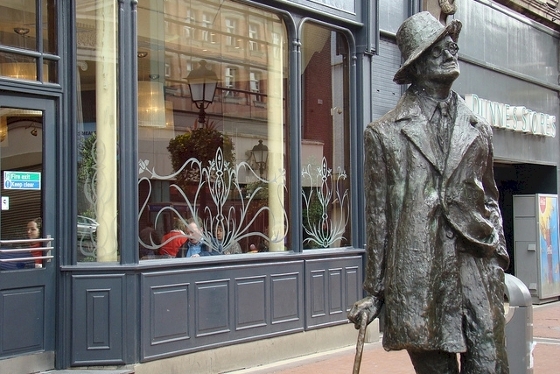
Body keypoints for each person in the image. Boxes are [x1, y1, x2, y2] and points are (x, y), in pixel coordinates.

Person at [348, 12, 509, 374]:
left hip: (477, 267)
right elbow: (379, 217)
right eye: (437, 47)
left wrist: (498, 259)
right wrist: (375, 292)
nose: (451, 48)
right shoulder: (384, 133)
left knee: (491, 366)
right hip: (418, 276)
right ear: (416, 64)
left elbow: (490, 197)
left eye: (450, 42)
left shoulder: (478, 127)